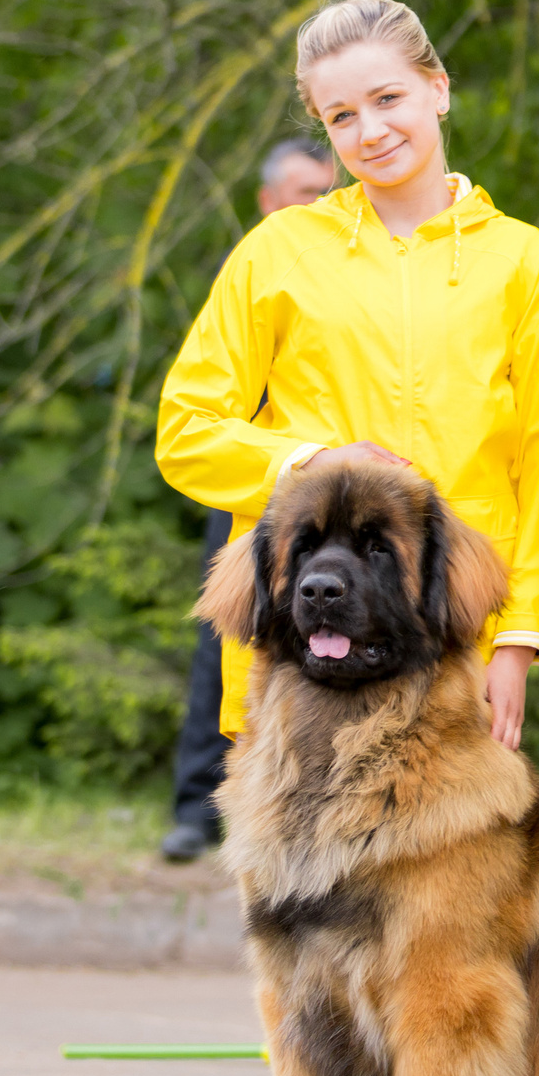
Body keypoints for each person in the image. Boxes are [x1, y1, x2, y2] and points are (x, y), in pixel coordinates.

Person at [156, 0, 539, 1076]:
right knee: (301, 959)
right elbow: (189, 428)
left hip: (446, 662)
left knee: (441, 953)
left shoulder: (521, 261)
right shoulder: (275, 257)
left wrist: (522, 633)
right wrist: (308, 451)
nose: (370, 129)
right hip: (300, 671)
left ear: (438, 88)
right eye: (342, 115)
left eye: (388, 99)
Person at [159, 138, 336, 864]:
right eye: (302, 192)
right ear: (268, 201)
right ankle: (197, 806)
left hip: (342, 509)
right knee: (226, 646)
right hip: (256, 494)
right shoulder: (260, 265)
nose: (316, 205)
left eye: (327, 191)